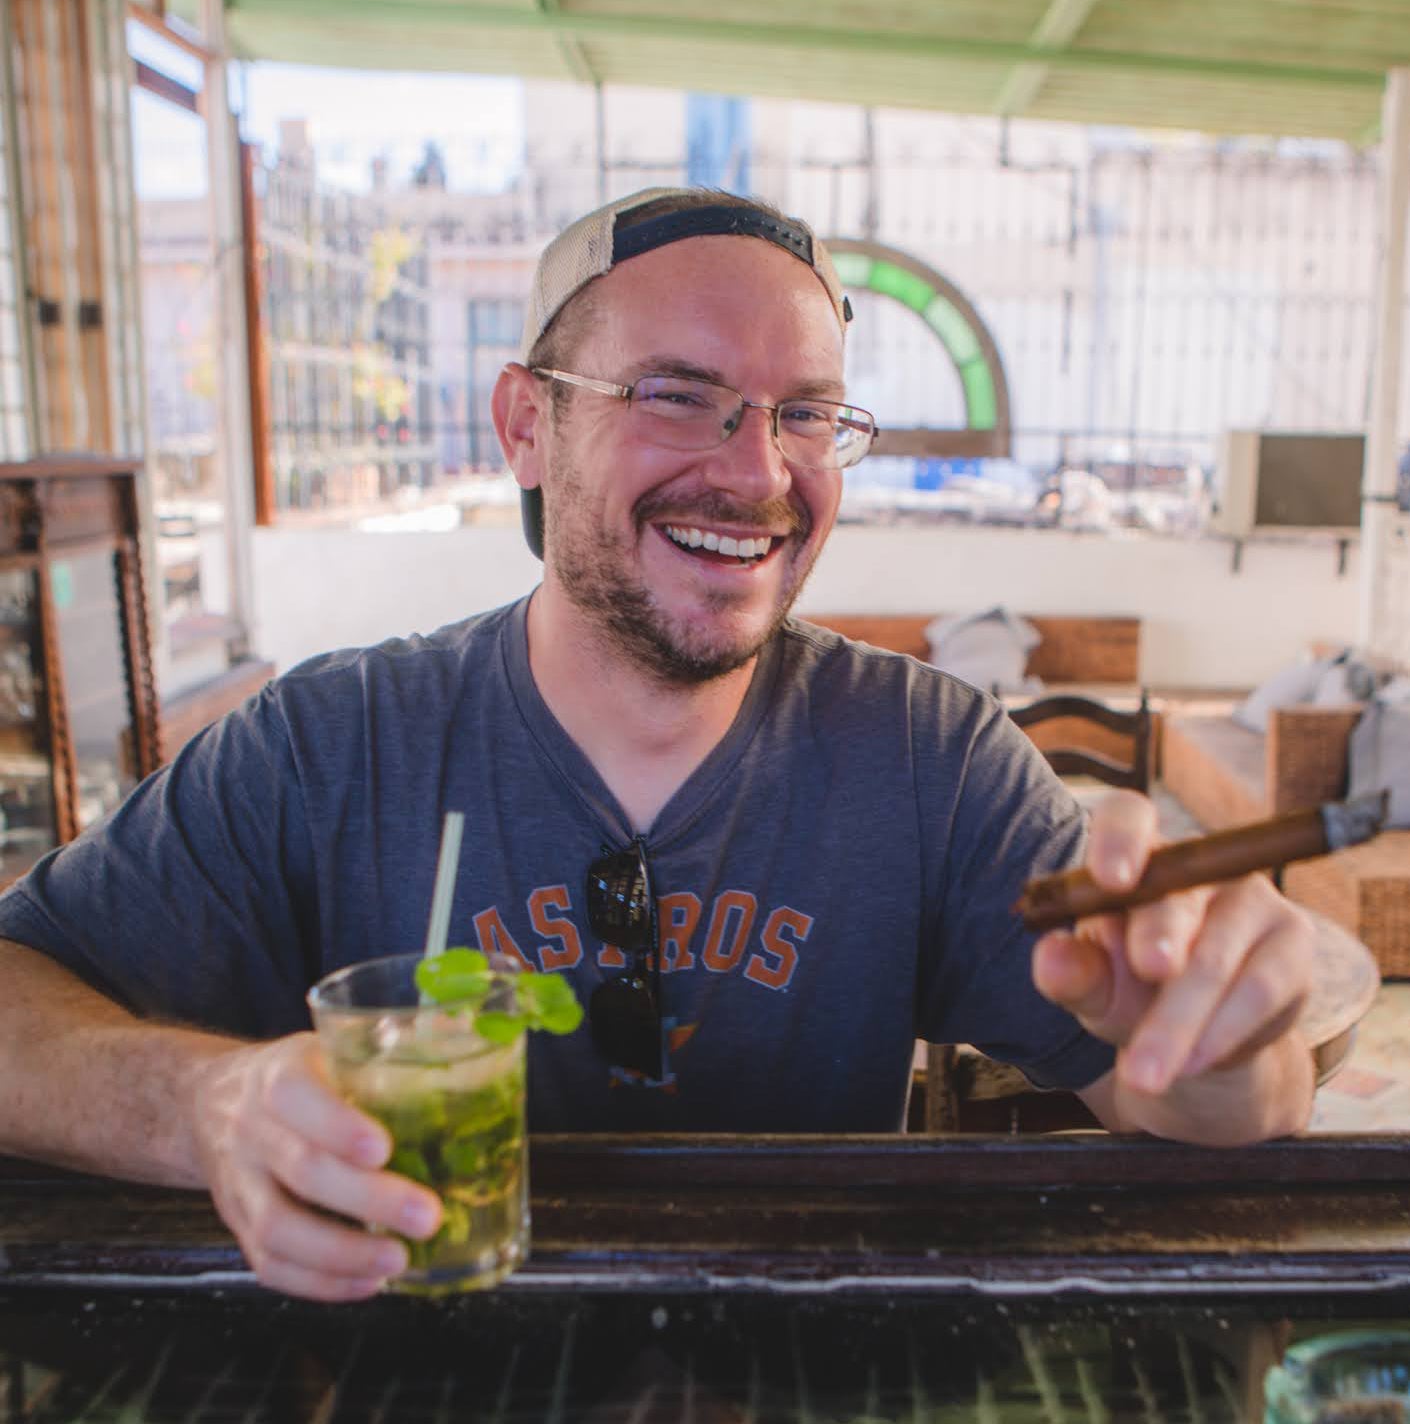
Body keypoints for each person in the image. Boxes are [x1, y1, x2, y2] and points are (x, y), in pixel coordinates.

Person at [0, 187, 1316, 1303]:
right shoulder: (331, 748)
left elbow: (1205, 1111)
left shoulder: (931, 757)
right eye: (681, 398)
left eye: (805, 414)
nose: (757, 473)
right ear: (527, 427)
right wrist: (205, 1110)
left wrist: (1224, 1049)